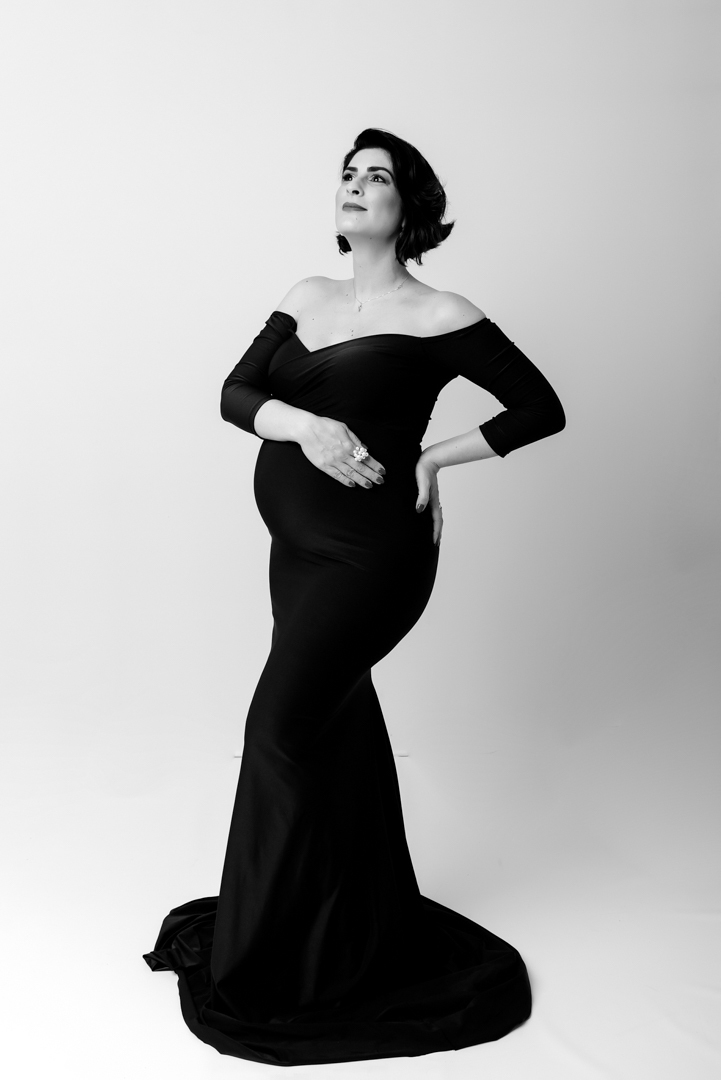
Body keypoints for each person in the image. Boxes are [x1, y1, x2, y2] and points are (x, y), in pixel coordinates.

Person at [143, 128, 566, 1066]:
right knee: (334, 726)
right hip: (295, 553)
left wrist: (435, 457)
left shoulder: (441, 311)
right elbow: (234, 393)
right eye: (348, 173)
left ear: (408, 206)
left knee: (279, 728)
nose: (356, 185)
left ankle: (271, 958)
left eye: (378, 176)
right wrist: (305, 425)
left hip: (373, 556)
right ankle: (344, 922)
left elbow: (541, 408)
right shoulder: (307, 295)